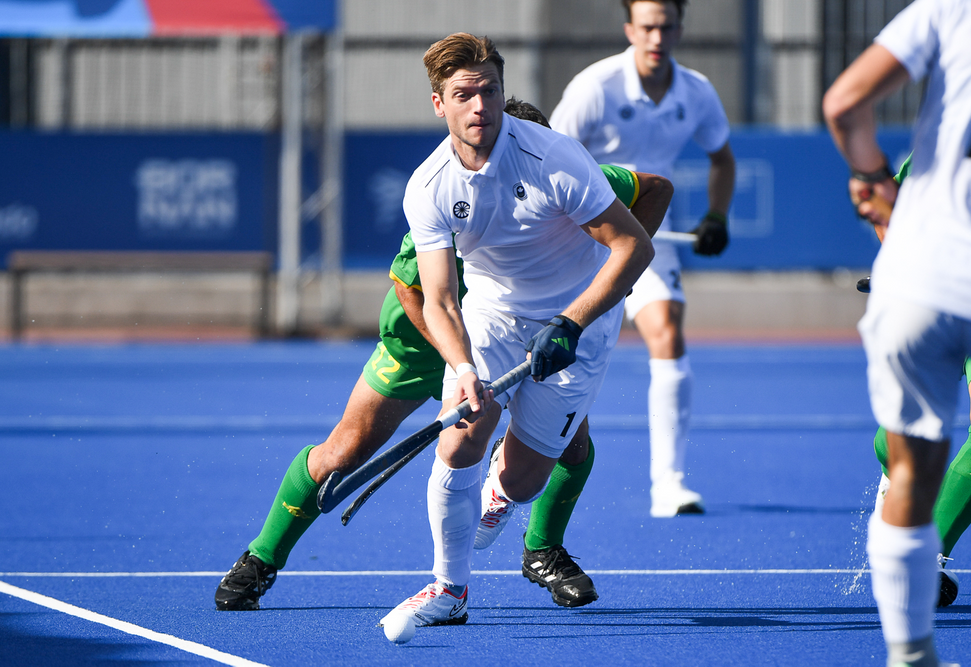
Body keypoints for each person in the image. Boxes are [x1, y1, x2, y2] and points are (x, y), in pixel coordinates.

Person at [213, 96, 670, 612]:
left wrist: (611, 284)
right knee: (344, 452)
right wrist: (462, 363)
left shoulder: (570, 176)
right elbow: (412, 293)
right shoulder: (449, 191)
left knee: (570, 443)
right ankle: (262, 556)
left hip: (532, 332)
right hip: (425, 341)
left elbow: (653, 190)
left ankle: (542, 548)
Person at [381, 32, 653, 628]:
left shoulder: (555, 158)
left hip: (580, 319)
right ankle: (449, 591)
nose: (480, 106)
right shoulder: (428, 185)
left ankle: (501, 492)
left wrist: (572, 321)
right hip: (493, 314)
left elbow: (635, 246)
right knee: (459, 439)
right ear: (439, 104)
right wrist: (462, 368)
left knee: (526, 482)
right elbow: (440, 299)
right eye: (464, 95)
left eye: (490, 91)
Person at [823, 1, 971, 665]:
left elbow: (844, 102)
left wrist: (870, 177)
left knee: (915, 457)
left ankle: (910, 651)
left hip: (923, 275)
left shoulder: (950, 8)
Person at [549, 0, 736, 517]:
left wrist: (717, 215)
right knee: (555, 346)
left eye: (666, 26)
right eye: (648, 27)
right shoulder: (595, 87)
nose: (657, 37)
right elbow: (551, 154)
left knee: (668, 334)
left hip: (650, 234)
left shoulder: (697, 91)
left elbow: (722, 158)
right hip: (582, 233)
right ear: (630, 29)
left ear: (680, 29)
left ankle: (668, 485)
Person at [861, 155, 971, 609]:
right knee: (907, 425)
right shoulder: (945, 145)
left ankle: (926, 558)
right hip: (938, 295)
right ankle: (895, 478)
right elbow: (885, 206)